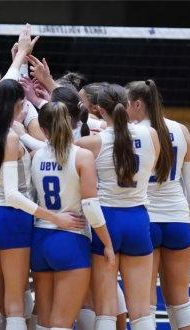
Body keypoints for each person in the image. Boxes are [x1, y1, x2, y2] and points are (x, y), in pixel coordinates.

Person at [0, 79, 81, 330]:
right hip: (11, 219)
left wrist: (20, 56)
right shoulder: (10, 138)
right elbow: (12, 195)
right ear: (18, 105)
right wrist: (54, 217)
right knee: (14, 303)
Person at [126, 80, 190, 329]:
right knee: (181, 304)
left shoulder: (133, 134)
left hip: (145, 222)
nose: (125, 109)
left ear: (138, 104)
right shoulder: (181, 130)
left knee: (145, 306)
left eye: (127, 104)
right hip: (178, 222)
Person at [76, 82, 160, 330]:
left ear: (100, 110)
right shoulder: (152, 135)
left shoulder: (91, 143)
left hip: (106, 221)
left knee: (105, 311)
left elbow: (56, 148)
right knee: (142, 312)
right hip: (138, 218)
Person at [30, 101, 115, 329]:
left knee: (43, 323)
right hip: (71, 239)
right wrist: (107, 243)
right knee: (62, 324)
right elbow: (91, 206)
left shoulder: (35, 156)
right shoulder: (82, 156)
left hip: (40, 240)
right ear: (70, 124)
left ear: (43, 128)